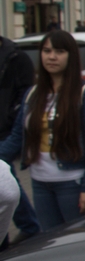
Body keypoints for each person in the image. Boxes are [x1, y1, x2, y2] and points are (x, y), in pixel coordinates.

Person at [0, 30, 85, 229]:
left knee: (77, 241)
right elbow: (17, 137)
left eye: (59, 51)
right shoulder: (33, 94)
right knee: (49, 242)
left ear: (71, 56)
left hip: (72, 183)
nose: (52, 57)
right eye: (47, 51)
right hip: (40, 183)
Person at [0, 32, 39, 245]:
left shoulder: (17, 58)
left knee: (6, 183)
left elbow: (26, 97)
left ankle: (29, 226)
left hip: (7, 131)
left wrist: (9, 118)